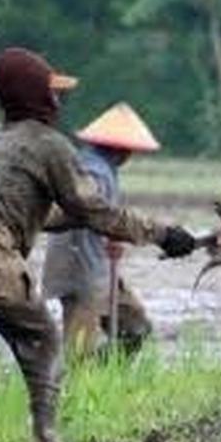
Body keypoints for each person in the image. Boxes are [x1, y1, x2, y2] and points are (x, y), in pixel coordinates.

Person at [0, 47, 198, 442]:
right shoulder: (47, 144)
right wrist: (162, 234)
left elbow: (40, 216)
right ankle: (45, 438)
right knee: (43, 341)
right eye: (51, 92)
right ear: (34, 96)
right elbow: (93, 209)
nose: (58, 103)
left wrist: (83, 219)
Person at [42, 103, 160, 357]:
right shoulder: (92, 171)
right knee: (79, 350)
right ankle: (78, 389)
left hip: (100, 267)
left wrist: (111, 235)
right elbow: (89, 212)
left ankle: (103, 377)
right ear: (121, 149)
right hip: (80, 267)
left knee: (136, 327)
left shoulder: (100, 167)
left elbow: (103, 216)